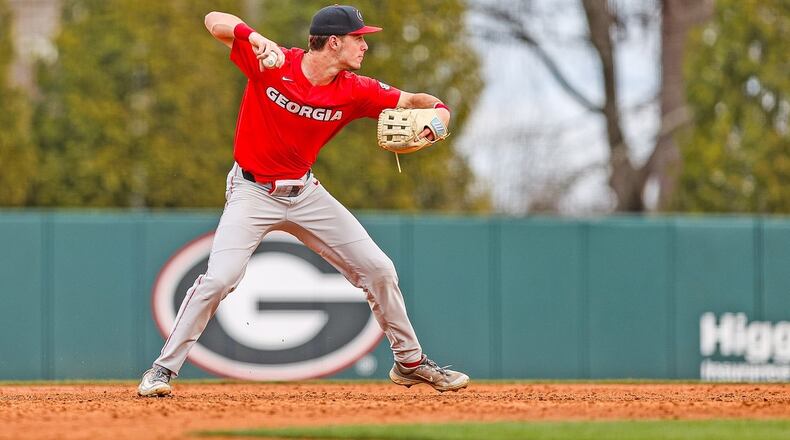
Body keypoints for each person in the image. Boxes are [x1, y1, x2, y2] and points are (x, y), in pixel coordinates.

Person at [138, 5, 469, 397]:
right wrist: (252, 35)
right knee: (220, 278)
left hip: (306, 194)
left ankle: (410, 363)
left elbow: (417, 101)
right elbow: (213, 19)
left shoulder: (354, 89)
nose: (364, 45)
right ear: (333, 41)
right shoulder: (273, 62)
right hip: (252, 191)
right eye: (358, 38)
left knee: (379, 270)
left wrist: (442, 116)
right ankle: (162, 369)